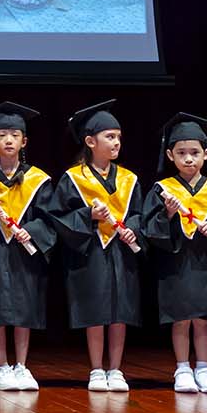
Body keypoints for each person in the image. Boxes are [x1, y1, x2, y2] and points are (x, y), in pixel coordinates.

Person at [47, 100, 143, 392]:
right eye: (109, 137)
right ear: (90, 142)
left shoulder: (129, 179)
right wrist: (86, 215)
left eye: (118, 137)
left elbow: (139, 214)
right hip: (90, 252)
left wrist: (134, 231)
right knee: (96, 310)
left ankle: (116, 369)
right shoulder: (74, 179)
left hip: (120, 252)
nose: (116, 142)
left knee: (120, 311)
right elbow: (59, 217)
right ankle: (96, 369)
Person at [142, 113, 207, 394]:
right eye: (181, 153)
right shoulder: (163, 190)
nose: (188, 159)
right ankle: (183, 367)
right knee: (181, 317)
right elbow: (150, 227)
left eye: (194, 153)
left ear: (206, 154)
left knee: (203, 318)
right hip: (176, 262)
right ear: (170, 155)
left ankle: (204, 368)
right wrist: (168, 214)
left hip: (204, 262)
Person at [0, 102, 55, 392]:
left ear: (24, 141)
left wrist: (31, 231)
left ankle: (22, 365)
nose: (8, 140)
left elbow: (48, 217)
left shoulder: (38, 180)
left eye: (14, 135)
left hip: (23, 251)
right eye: (2, 134)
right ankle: (2, 366)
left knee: (24, 309)